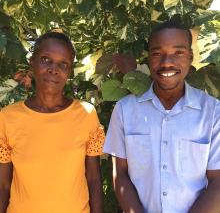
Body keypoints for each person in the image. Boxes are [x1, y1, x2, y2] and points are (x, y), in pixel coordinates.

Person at [103, 20, 220, 213]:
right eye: (157, 53)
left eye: (178, 52)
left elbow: (217, 182)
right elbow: (120, 174)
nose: (167, 62)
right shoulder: (125, 110)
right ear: (149, 58)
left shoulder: (213, 112)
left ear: (190, 57)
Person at [0, 32, 104, 213]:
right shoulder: (8, 118)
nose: (53, 69)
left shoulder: (86, 114)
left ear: (69, 71)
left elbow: (94, 180)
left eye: (63, 64)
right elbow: (3, 185)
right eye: (46, 59)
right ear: (32, 62)